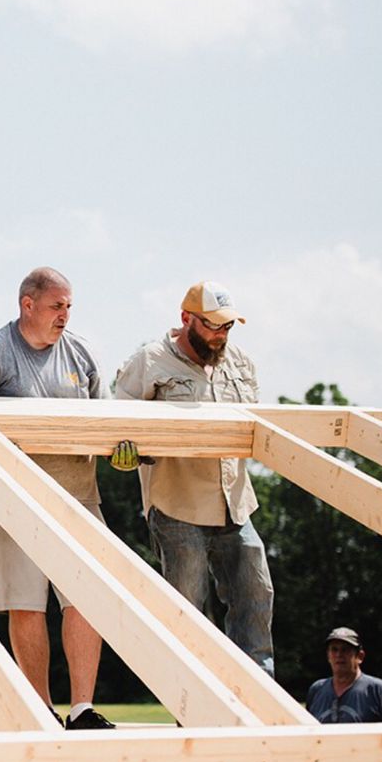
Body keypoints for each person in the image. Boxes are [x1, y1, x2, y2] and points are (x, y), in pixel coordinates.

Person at [0, 267, 114, 731]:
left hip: (77, 495)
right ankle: (40, 709)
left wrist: (121, 449)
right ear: (28, 304)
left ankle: (82, 709)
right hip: (10, 498)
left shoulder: (80, 354)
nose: (65, 315)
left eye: (68, 307)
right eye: (57, 305)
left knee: (86, 598)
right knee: (26, 603)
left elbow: (108, 424)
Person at [111, 281, 274, 676]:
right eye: (213, 325)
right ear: (186, 318)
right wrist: (127, 453)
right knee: (187, 615)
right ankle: (194, 711)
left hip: (235, 505)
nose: (221, 335)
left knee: (256, 597)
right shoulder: (149, 362)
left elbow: (255, 424)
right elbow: (116, 427)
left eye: (228, 327)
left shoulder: (240, 362)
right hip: (177, 506)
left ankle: (258, 703)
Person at [305, 627, 382, 723]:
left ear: (360, 656)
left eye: (345, 650)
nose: (339, 654)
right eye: (334, 649)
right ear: (328, 656)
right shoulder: (317, 690)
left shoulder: (376, 690)